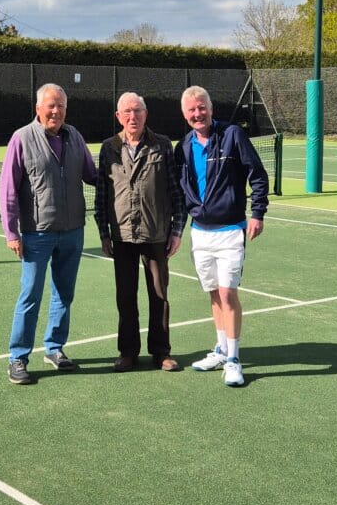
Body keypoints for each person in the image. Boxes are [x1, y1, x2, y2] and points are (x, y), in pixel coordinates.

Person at [0, 83, 97, 385]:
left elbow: (92, 175)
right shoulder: (22, 139)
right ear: (38, 108)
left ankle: (54, 348)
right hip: (36, 234)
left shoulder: (75, 137)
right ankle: (18, 357)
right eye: (51, 106)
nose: (56, 111)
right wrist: (11, 232)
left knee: (63, 294)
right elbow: (8, 189)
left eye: (62, 107)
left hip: (72, 231)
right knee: (30, 295)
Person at [174, 85, 269, 387]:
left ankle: (234, 359)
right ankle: (220, 348)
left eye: (202, 107)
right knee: (214, 292)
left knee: (228, 293)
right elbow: (180, 189)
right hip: (200, 232)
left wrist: (257, 213)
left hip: (230, 231)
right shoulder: (185, 146)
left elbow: (257, 174)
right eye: (191, 109)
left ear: (211, 109)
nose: (197, 114)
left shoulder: (232, 136)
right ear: (184, 114)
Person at [94, 92, 187, 372]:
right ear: (118, 117)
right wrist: (104, 234)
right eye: (127, 112)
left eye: (137, 111)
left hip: (156, 233)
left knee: (159, 295)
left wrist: (177, 230)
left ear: (146, 114)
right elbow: (101, 194)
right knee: (125, 297)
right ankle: (128, 352)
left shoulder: (163, 145)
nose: (132, 117)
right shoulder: (108, 147)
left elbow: (176, 192)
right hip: (121, 235)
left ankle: (161, 352)